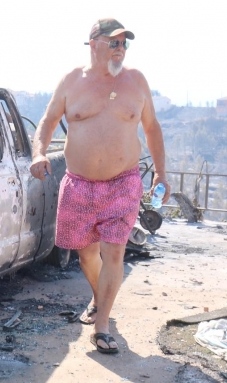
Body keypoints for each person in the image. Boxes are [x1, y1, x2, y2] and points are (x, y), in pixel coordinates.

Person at [30, 18, 170, 354]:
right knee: (87, 254)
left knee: (113, 251)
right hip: (79, 184)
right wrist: (37, 153)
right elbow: (48, 121)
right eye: (114, 42)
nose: (120, 49)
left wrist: (161, 174)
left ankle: (103, 325)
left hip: (124, 182)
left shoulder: (136, 82)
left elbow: (152, 129)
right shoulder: (71, 82)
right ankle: (98, 298)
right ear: (93, 44)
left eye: (124, 43)